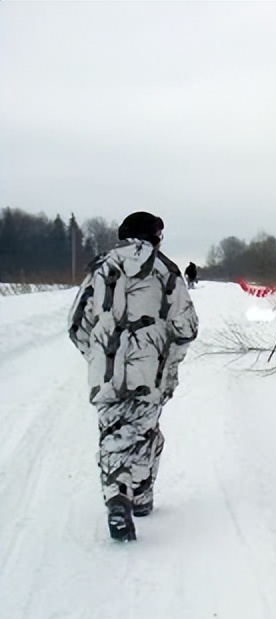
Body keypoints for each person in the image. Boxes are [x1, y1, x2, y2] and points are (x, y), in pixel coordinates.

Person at [68, 211, 199, 541]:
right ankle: (138, 498)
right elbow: (186, 328)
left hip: (106, 370)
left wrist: (97, 353)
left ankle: (118, 496)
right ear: (154, 236)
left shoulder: (101, 266)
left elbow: (75, 323)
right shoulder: (165, 269)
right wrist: (168, 363)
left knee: (112, 434)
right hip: (148, 369)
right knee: (144, 433)